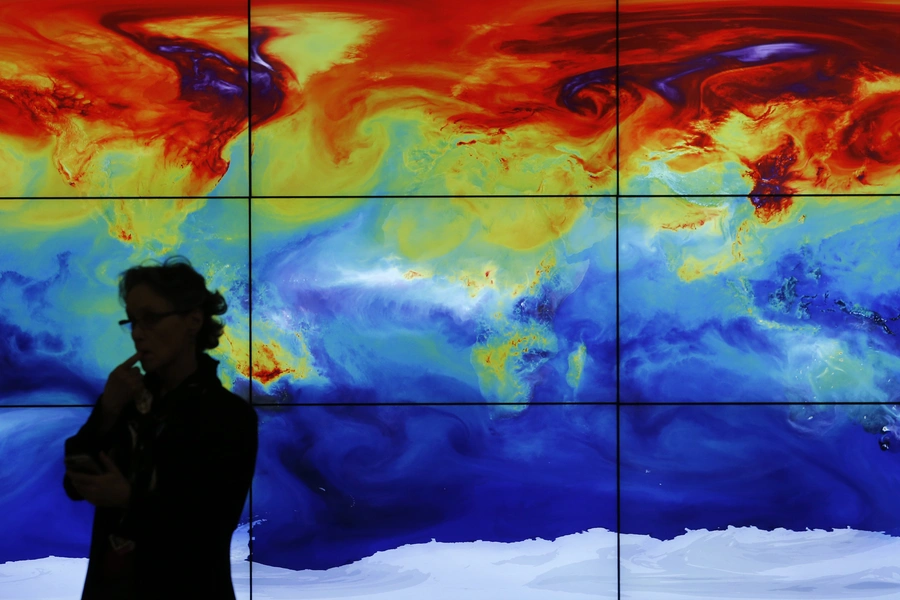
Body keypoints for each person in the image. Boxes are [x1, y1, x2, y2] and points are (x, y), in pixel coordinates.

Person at [63, 256, 258, 599]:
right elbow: (74, 483)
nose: (138, 333)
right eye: (133, 321)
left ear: (193, 321)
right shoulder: (123, 400)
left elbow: (210, 526)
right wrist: (107, 409)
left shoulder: (228, 416)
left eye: (151, 318)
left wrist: (127, 499)